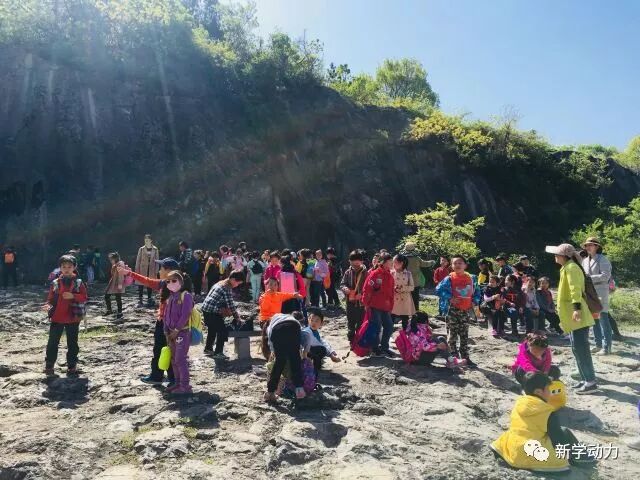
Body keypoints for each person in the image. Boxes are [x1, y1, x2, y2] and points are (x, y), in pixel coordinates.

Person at [491, 372, 595, 472]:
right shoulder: (547, 412)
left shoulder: (520, 403)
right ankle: (584, 458)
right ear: (538, 392)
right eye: (548, 389)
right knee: (564, 432)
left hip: (512, 449)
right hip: (530, 454)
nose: (550, 392)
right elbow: (557, 440)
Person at [119, 258, 183, 386]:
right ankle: (157, 376)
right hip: (162, 322)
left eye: (161, 268)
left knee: (172, 351)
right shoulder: (165, 283)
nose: (159, 271)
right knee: (159, 349)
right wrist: (129, 273)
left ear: (169, 271)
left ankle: (174, 380)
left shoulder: (177, 287)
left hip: (171, 325)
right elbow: (147, 281)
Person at [545, 243, 598, 394]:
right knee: (577, 348)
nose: (555, 256)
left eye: (557, 254)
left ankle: (591, 382)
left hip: (577, 315)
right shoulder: (566, 267)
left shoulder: (572, 268)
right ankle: (585, 378)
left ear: (564, 256)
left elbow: (576, 290)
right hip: (573, 316)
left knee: (582, 349)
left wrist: (576, 309)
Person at [42, 255, 88, 376]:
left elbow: (84, 297)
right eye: (64, 267)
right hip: (57, 317)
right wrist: (48, 305)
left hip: (73, 318)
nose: (66, 269)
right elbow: (50, 299)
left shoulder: (78, 283)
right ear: (60, 268)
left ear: (74, 267)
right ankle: (49, 365)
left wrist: (73, 296)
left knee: (72, 343)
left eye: (69, 267)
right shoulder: (55, 283)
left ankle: (72, 366)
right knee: (52, 342)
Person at [435, 255, 482, 366]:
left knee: (464, 334)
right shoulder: (449, 278)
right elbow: (438, 290)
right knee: (452, 335)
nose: (457, 265)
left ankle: (465, 357)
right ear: (451, 266)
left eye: (460, 263)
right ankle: (454, 357)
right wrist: (450, 298)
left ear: (465, 265)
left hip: (466, 310)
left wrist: (474, 301)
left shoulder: (472, 278)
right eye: (454, 263)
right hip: (452, 310)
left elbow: (478, 292)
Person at [201, 270, 245, 359]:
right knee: (222, 331)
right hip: (212, 311)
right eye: (237, 283)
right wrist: (238, 318)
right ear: (233, 279)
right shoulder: (226, 288)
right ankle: (218, 352)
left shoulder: (221, 282)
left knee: (212, 329)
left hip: (206, 309)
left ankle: (208, 349)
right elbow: (231, 305)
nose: (237, 285)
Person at [163, 271, 194, 394]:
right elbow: (166, 315)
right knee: (173, 359)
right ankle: (177, 383)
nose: (170, 283)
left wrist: (176, 330)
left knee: (180, 359)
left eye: (174, 280)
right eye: (168, 281)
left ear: (181, 282)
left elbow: (186, 314)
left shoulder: (186, 296)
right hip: (171, 333)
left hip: (182, 333)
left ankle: (185, 386)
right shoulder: (171, 297)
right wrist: (166, 330)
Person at [263, 313, 307, 402]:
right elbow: (302, 333)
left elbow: (271, 341)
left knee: (279, 363)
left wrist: (274, 351)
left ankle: (271, 392)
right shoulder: (287, 316)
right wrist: (300, 348)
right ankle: (299, 389)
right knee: (295, 360)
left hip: (278, 330)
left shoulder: (270, 325)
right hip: (294, 326)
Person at [398, 311, 467, 368]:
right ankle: (451, 361)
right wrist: (437, 346)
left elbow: (428, 340)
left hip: (419, 356)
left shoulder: (415, 327)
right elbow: (424, 346)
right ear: (425, 321)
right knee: (438, 342)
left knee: (440, 339)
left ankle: (450, 360)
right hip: (418, 360)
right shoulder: (418, 332)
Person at [581, 237, 613, 355]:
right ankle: (598, 345)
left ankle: (606, 347)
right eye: (586, 245)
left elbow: (606, 276)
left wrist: (589, 278)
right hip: (590, 292)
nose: (588, 247)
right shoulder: (584, 260)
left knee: (603, 318)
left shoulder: (603, 259)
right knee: (594, 319)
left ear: (597, 247)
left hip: (601, 291)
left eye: (590, 245)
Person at [362, 252, 395, 357]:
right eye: (390, 261)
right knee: (377, 326)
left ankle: (384, 347)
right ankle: (375, 349)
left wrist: (391, 305)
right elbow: (367, 289)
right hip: (375, 305)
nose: (392, 263)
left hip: (385, 306)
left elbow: (391, 293)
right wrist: (366, 303)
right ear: (383, 262)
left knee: (389, 326)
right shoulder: (375, 274)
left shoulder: (390, 276)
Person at [302, 308, 341, 377]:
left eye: (316, 321)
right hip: (304, 352)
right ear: (308, 320)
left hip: (310, 351)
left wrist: (331, 353)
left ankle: (316, 367)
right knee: (321, 349)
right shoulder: (306, 331)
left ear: (321, 323)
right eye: (311, 320)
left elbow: (323, 342)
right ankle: (313, 367)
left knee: (321, 349)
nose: (313, 323)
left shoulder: (316, 332)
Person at [340, 250, 367, 342]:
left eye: (357, 264)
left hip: (361, 303)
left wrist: (362, 294)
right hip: (350, 301)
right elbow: (342, 284)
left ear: (361, 262)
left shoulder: (365, 273)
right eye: (353, 264)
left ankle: (358, 341)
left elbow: (368, 287)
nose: (355, 266)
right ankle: (351, 339)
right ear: (349, 262)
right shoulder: (348, 272)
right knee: (350, 321)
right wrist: (345, 289)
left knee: (360, 322)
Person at [401, 242, 435, 311]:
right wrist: (432, 262)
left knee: (406, 297)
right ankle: (415, 311)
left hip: (405, 281)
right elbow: (424, 264)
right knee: (415, 297)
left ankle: (405, 311)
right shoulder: (416, 258)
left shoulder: (402, 258)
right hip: (415, 282)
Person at [391, 254, 415, 330]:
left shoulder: (408, 274)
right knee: (391, 318)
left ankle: (404, 334)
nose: (393, 264)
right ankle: (388, 334)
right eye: (393, 262)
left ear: (401, 263)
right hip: (394, 298)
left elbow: (412, 287)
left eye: (395, 262)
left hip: (405, 299)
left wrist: (403, 288)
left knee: (405, 319)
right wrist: (394, 288)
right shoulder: (391, 273)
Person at [135, 234, 160, 307]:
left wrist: (156, 271)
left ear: (151, 241)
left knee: (150, 283)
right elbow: (138, 260)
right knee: (140, 284)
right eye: (145, 240)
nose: (146, 242)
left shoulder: (155, 249)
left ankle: (149, 298)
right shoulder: (141, 249)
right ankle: (140, 298)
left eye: (147, 240)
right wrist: (137, 270)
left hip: (151, 268)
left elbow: (157, 260)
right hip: (142, 269)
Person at [105, 252, 125, 321]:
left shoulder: (120, 265)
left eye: (111, 259)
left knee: (118, 298)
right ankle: (109, 310)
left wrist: (120, 284)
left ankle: (120, 312)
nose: (110, 261)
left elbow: (121, 275)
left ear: (115, 258)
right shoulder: (115, 265)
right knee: (107, 296)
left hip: (117, 284)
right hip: (113, 283)